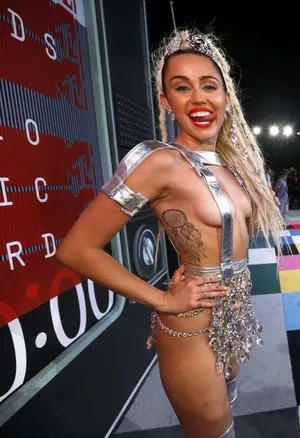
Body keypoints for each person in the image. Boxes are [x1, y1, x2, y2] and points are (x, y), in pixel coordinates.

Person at [57, 28, 284, 438]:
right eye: (182, 87)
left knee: (227, 412)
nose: (199, 99)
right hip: (189, 327)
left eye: (209, 86)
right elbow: (76, 249)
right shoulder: (159, 161)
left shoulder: (230, 164)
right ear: (166, 101)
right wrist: (162, 298)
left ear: (227, 96)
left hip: (234, 319)